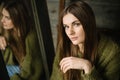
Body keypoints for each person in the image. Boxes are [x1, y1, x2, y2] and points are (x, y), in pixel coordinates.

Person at [50, 1, 120, 80]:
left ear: (88, 24)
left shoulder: (112, 53)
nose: (70, 32)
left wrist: (87, 66)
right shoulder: (65, 45)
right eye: (66, 26)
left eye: (76, 24)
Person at [0, 0, 45, 80]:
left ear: (18, 18)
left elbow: (29, 72)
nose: (2, 20)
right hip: (12, 66)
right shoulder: (7, 28)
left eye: (7, 17)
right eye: (2, 15)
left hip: (24, 73)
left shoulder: (31, 38)